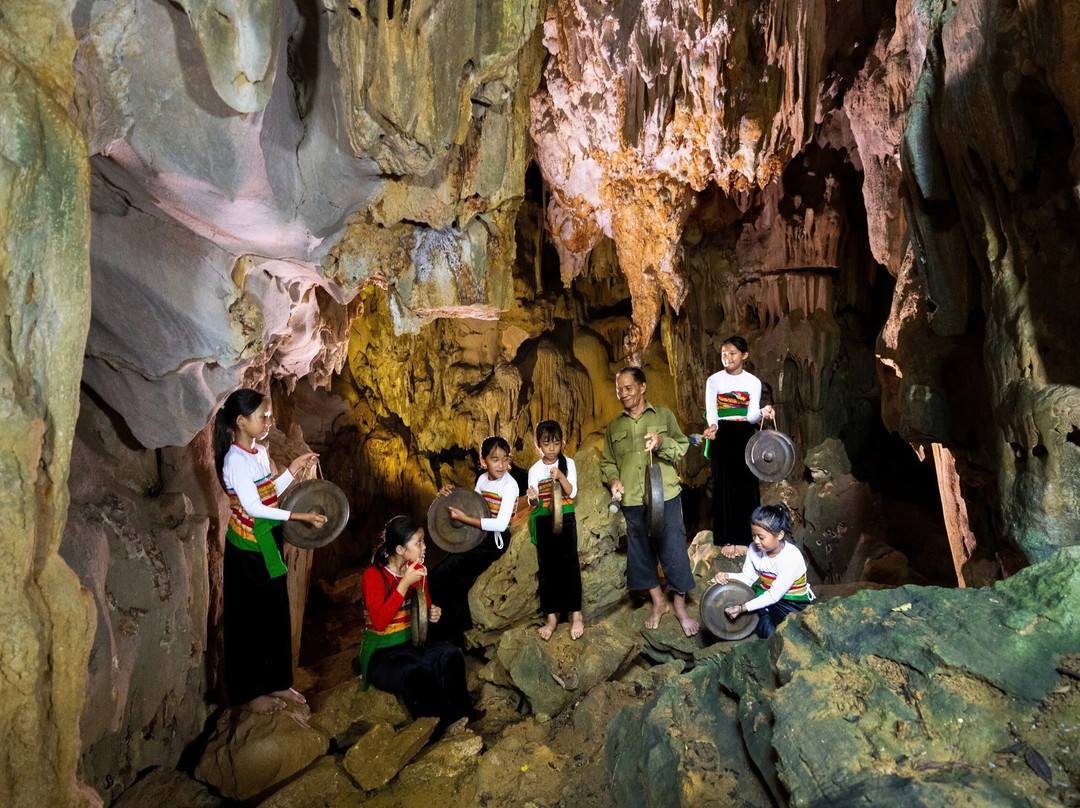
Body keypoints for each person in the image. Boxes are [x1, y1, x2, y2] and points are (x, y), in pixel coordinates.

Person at [213, 388, 327, 714]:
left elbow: (269, 493)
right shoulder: (234, 461)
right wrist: (300, 515)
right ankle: (249, 693)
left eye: (269, 415)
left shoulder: (260, 453)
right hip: (247, 551)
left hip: (268, 543)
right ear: (240, 421)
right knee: (249, 623)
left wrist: (293, 468)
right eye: (262, 416)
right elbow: (253, 507)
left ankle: (278, 681)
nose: (268, 421)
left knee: (276, 615)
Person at [601, 367, 699, 636]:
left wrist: (661, 442)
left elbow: (680, 446)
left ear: (642, 387)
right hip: (632, 499)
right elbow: (608, 463)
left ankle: (679, 605)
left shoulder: (664, 415)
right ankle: (658, 602)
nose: (623, 394)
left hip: (665, 494)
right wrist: (613, 481)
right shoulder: (614, 426)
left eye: (628, 388)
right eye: (619, 390)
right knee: (641, 553)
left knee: (674, 549)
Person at [357, 515, 474, 733]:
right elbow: (380, 622)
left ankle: (466, 714)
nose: (424, 547)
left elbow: (423, 610)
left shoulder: (417, 571)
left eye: (423, 541)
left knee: (451, 656)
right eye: (418, 542)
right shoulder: (373, 576)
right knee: (414, 673)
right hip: (381, 654)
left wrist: (433, 613)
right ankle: (442, 726)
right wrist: (404, 585)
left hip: (412, 643)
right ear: (400, 549)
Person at [427, 436, 520, 639]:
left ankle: (451, 631)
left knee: (451, 573)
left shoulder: (509, 485)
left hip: (495, 542)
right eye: (495, 459)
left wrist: (467, 520)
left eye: (506, 459)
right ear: (484, 460)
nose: (502, 465)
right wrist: (448, 494)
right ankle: (447, 627)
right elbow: (473, 505)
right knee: (438, 572)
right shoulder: (482, 480)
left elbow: (501, 523)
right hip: (477, 537)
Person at [703, 335, 775, 556]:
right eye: (724, 354)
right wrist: (713, 426)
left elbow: (752, 415)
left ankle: (746, 538)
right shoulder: (714, 380)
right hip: (722, 432)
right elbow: (712, 409)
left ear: (744, 356)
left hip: (744, 433)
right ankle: (726, 539)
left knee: (746, 485)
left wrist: (763, 411)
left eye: (732, 354)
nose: (727, 358)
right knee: (722, 485)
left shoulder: (753, 382)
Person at [709, 503, 814, 638]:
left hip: (791, 603)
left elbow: (773, 596)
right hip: (766, 596)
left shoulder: (791, 557)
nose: (756, 541)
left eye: (761, 537)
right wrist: (726, 576)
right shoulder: (754, 548)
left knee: (778, 635)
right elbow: (748, 578)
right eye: (753, 535)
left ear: (780, 535)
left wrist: (742, 608)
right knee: (762, 627)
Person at [526, 420, 584, 640]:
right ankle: (551, 618)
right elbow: (534, 504)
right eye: (546, 443)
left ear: (563, 442)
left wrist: (560, 476)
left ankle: (575, 615)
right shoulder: (534, 470)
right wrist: (532, 499)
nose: (552, 448)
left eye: (556, 443)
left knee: (570, 565)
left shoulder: (568, 463)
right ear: (538, 444)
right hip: (543, 520)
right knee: (547, 570)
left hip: (566, 516)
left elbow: (572, 492)